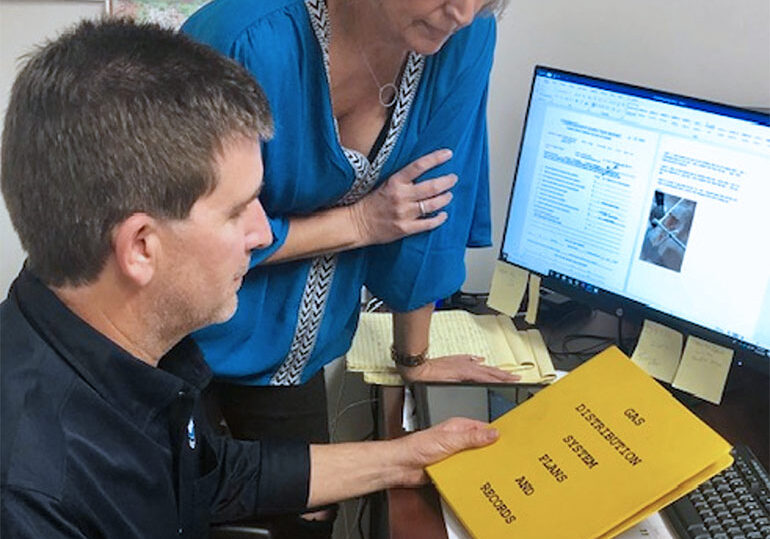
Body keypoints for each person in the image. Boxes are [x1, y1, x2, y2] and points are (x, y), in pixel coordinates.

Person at [0, 19, 500, 538]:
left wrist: (405, 457)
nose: (263, 233)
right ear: (141, 248)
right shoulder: (33, 498)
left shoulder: (118, 356)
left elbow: (214, 476)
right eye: (239, 211)